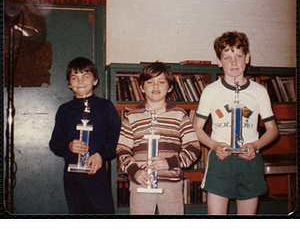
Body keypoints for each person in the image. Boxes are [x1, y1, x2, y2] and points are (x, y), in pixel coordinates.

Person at [193, 31, 278, 215]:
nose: (233, 62)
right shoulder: (211, 90)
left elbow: (272, 130)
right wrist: (214, 145)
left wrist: (255, 145)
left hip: (250, 161)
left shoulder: (259, 91)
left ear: (247, 58)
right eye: (227, 57)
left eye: (238, 56)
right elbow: (197, 128)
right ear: (219, 61)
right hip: (220, 161)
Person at [116, 61, 201, 215]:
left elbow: (193, 147)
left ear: (170, 87)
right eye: (150, 82)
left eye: (161, 82)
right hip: (140, 183)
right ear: (141, 87)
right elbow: (122, 149)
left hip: (171, 186)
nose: (155, 87)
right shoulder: (131, 116)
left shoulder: (179, 115)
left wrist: (169, 163)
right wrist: (134, 171)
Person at [49, 57, 121, 214]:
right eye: (74, 78)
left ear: (95, 81)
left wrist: (101, 155)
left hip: (97, 172)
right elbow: (55, 143)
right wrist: (68, 145)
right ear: (69, 84)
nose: (80, 82)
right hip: (72, 176)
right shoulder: (64, 110)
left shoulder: (106, 107)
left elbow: (115, 139)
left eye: (86, 76)